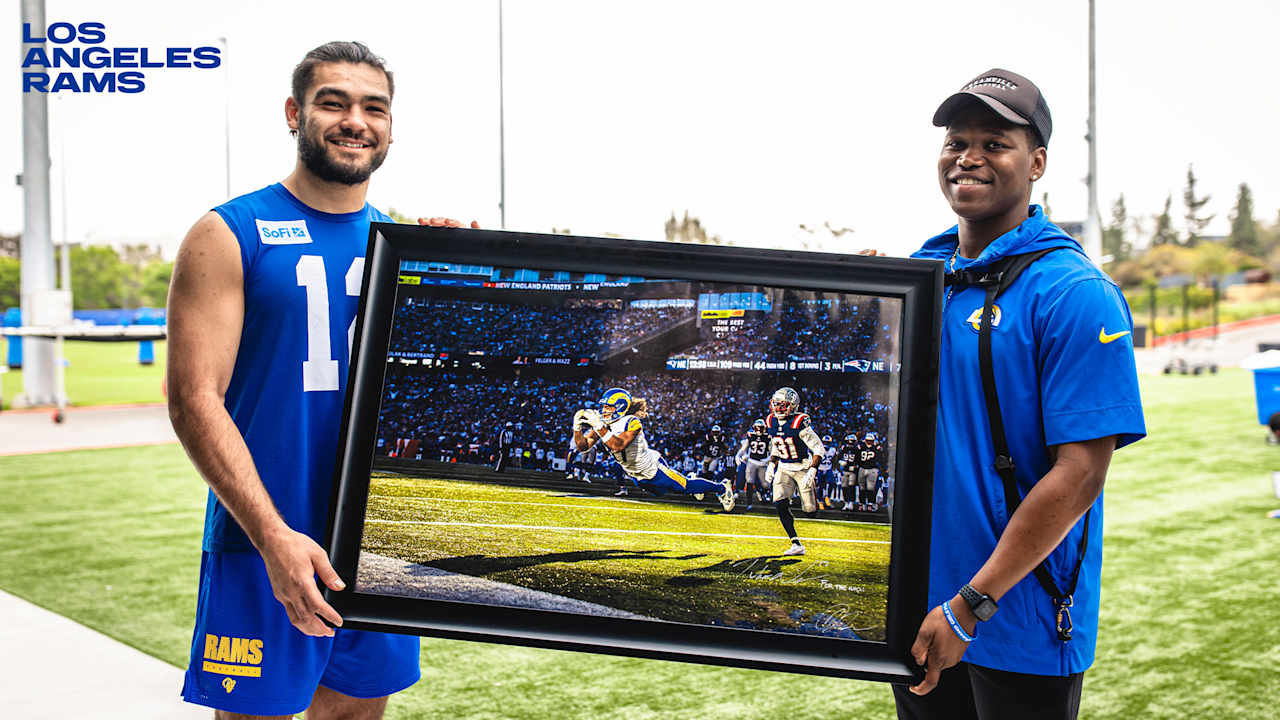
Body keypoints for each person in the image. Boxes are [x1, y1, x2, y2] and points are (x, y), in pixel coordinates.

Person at [167, 41, 475, 718]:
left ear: (391, 126)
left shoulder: (407, 245)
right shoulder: (228, 232)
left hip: (376, 542)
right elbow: (194, 402)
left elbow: (443, 383)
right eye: (332, 102)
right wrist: (272, 536)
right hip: (263, 535)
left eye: (373, 107)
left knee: (357, 711)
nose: (354, 120)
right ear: (294, 112)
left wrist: (465, 271)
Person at [890, 69, 1146, 719]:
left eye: (995, 142)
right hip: (917, 611)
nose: (969, 156)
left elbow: (1082, 473)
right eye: (956, 140)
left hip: (1018, 617)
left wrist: (970, 604)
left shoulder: (1073, 291)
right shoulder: (920, 281)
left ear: (1036, 164)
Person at [573, 387, 736, 511]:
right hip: (636, 474)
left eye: (609, 407)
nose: (604, 411)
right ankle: (692, 481)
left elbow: (618, 445)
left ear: (620, 407)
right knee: (662, 493)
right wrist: (577, 427)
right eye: (604, 407)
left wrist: (599, 426)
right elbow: (583, 447)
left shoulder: (631, 422)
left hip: (652, 467)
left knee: (684, 486)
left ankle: (722, 487)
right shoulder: (602, 425)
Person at [762, 386, 826, 556]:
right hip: (783, 467)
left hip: (802, 467)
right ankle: (796, 543)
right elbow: (776, 446)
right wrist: (772, 464)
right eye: (776, 404)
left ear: (793, 405)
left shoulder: (799, 422)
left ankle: (809, 500)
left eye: (783, 405)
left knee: (810, 510)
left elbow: (818, 448)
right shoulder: (771, 421)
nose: (778, 408)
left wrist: (812, 470)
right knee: (779, 504)